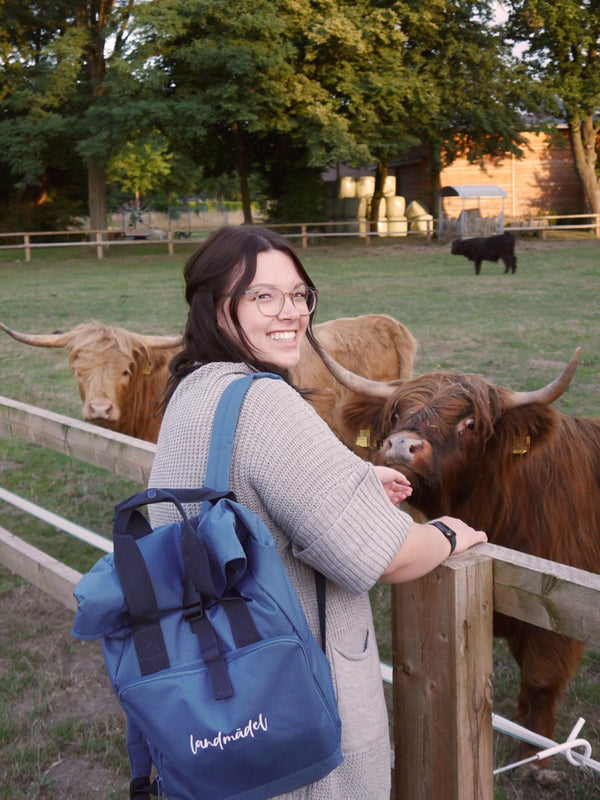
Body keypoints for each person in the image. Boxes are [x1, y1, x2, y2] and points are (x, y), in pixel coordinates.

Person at [148, 224, 487, 799]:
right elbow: (385, 556)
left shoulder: (192, 389)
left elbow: (248, 485)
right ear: (213, 306)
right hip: (301, 719)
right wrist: (450, 535)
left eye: (300, 295)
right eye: (263, 296)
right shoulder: (266, 403)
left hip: (220, 680)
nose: (292, 313)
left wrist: (353, 478)